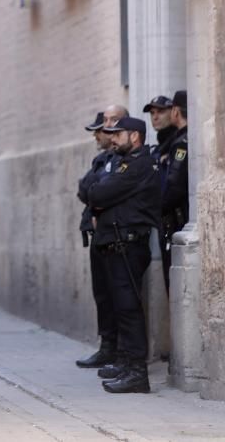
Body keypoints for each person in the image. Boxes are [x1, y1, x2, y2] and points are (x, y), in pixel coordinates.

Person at [87, 116, 160, 394]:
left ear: (135, 136)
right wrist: (99, 193)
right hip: (117, 244)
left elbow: (99, 193)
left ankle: (137, 373)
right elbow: (92, 190)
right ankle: (127, 364)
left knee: (129, 309)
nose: (113, 138)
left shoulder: (138, 164)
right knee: (122, 307)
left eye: (119, 134)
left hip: (128, 245)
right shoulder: (122, 163)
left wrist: (100, 193)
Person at [75, 111, 119, 369]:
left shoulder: (120, 159)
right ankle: (107, 346)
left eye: (100, 130)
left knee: (118, 296)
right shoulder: (101, 159)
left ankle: (120, 351)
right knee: (102, 294)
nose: (97, 135)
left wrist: (95, 193)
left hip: (115, 234)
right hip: (98, 235)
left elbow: (103, 191)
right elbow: (85, 188)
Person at [159, 90, 189, 292]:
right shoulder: (177, 140)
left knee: (177, 288)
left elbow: (174, 186)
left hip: (178, 222)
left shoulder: (181, 143)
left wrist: (155, 207)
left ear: (176, 112)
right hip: (178, 220)